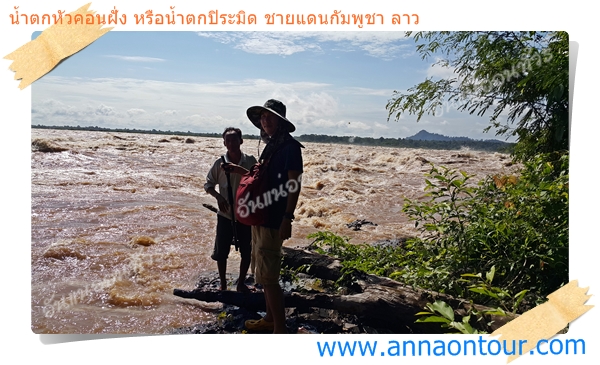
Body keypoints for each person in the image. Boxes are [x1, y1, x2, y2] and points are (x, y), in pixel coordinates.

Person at [239, 99, 304, 334]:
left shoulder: (290, 148)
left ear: (281, 121)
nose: (265, 121)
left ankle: (280, 329)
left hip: (274, 217)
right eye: (262, 118)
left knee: (269, 277)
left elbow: (294, 184)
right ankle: (269, 318)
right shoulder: (271, 145)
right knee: (262, 272)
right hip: (261, 215)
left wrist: (288, 217)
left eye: (270, 117)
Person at [204, 127, 257, 292]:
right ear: (224, 143)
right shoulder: (219, 164)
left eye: (235, 140)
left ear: (241, 141)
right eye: (228, 140)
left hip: (245, 215)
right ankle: (223, 284)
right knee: (221, 252)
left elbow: (259, 180)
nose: (231, 143)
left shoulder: (250, 161)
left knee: (247, 252)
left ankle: (241, 283)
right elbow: (208, 184)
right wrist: (219, 198)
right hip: (225, 214)